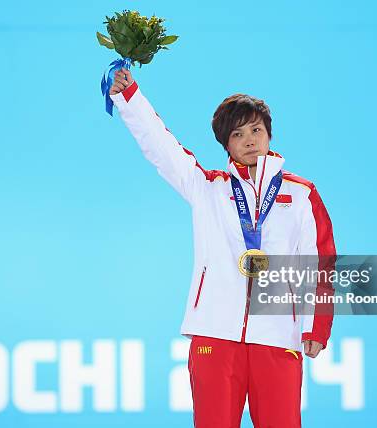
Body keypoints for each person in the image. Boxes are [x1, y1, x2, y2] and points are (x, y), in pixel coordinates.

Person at [109, 68, 336, 428]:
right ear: (226, 145)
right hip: (215, 334)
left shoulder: (302, 193)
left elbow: (320, 265)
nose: (250, 140)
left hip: (278, 336)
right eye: (238, 134)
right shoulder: (208, 190)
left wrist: (316, 328)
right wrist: (129, 97)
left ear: (269, 134)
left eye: (256, 130)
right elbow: (160, 147)